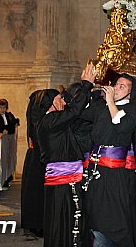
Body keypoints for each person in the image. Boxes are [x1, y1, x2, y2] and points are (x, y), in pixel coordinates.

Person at [37, 63, 95, 247]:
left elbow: (77, 119)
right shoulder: (50, 121)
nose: (63, 101)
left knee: (62, 220)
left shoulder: (52, 122)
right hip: (65, 181)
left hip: (63, 181)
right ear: (49, 104)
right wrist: (86, 84)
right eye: (59, 99)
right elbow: (74, 111)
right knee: (69, 220)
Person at [82, 73, 136, 247]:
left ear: (130, 93)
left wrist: (110, 102)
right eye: (117, 84)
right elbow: (82, 112)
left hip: (114, 173)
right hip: (95, 169)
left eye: (123, 86)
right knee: (94, 212)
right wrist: (88, 87)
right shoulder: (101, 107)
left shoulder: (132, 109)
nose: (116, 88)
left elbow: (122, 125)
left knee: (111, 216)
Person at [21, 89, 46, 238]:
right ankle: (34, 224)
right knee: (34, 193)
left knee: (37, 193)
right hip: (36, 157)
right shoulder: (37, 117)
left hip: (37, 156)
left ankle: (37, 223)